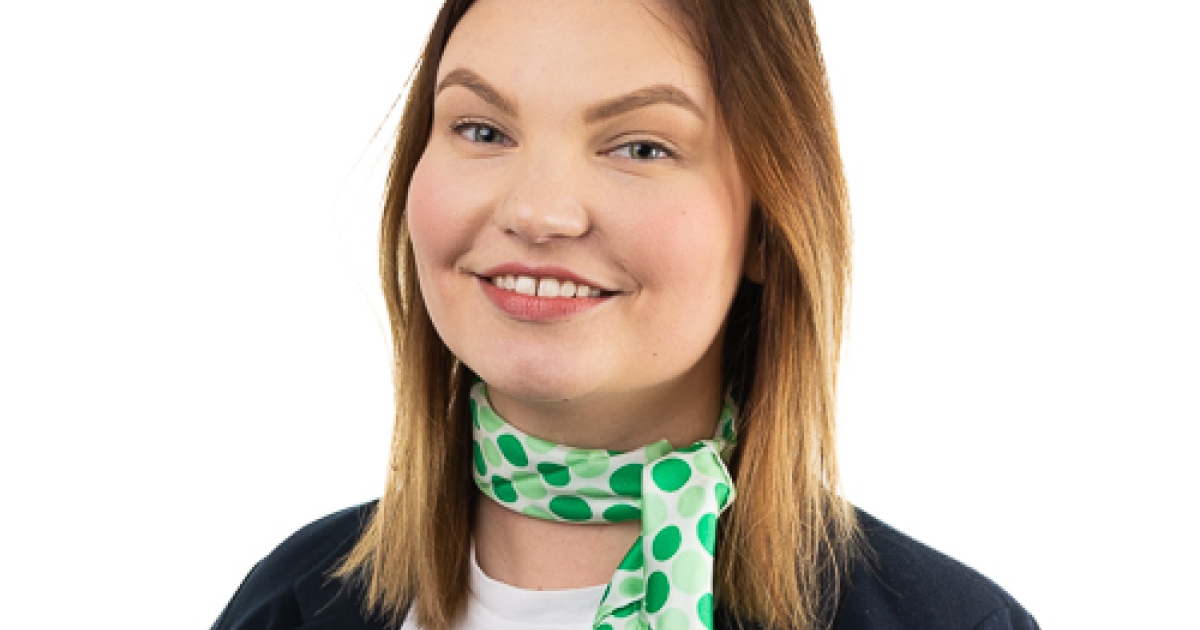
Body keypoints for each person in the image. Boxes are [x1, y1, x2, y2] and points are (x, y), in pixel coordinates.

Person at [211, 0, 1039, 629]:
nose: (538, 212)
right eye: (482, 129)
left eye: (641, 146)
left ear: (767, 223)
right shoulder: (287, 604)